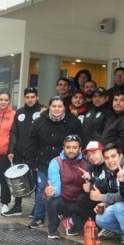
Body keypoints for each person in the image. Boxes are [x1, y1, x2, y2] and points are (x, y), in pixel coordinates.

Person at [26, 96, 83, 228]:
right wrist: (31, 162)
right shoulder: (39, 121)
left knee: (64, 189)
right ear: (49, 107)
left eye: (60, 106)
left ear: (64, 108)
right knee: (41, 189)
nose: (56, 109)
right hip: (43, 161)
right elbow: (31, 142)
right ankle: (39, 217)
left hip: (65, 163)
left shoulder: (73, 122)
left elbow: (80, 142)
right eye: (54, 106)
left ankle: (63, 216)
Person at [6, 86, 45, 217]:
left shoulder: (43, 111)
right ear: (24, 98)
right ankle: (17, 206)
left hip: (36, 154)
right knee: (17, 180)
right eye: (27, 97)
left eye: (32, 97)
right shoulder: (19, 112)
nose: (30, 100)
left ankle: (37, 208)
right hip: (20, 152)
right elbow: (14, 133)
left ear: (37, 97)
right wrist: (11, 150)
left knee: (36, 181)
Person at [44, 134, 89, 239]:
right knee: (51, 200)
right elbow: (56, 188)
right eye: (68, 147)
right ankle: (53, 231)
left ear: (80, 149)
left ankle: (72, 221)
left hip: (79, 202)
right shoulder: (56, 162)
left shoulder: (86, 162)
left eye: (74, 147)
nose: (71, 150)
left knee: (91, 200)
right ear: (63, 148)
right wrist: (52, 191)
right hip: (63, 201)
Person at [100, 92, 124, 157]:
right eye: (115, 100)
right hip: (106, 155)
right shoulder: (112, 116)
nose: (118, 103)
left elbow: (123, 144)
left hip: (117, 158)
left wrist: (107, 154)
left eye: (122, 100)